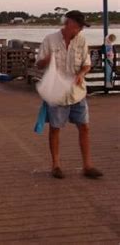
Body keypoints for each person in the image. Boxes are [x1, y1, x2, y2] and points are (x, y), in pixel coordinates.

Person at [36, 10, 103, 180]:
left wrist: (81, 74)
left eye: (82, 26)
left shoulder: (81, 39)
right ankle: (56, 165)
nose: (80, 29)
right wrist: (47, 60)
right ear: (69, 23)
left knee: (84, 127)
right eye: (78, 25)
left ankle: (87, 166)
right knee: (55, 128)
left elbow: (87, 64)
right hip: (57, 92)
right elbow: (38, 65)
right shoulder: (50, 39)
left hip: (77, 92)